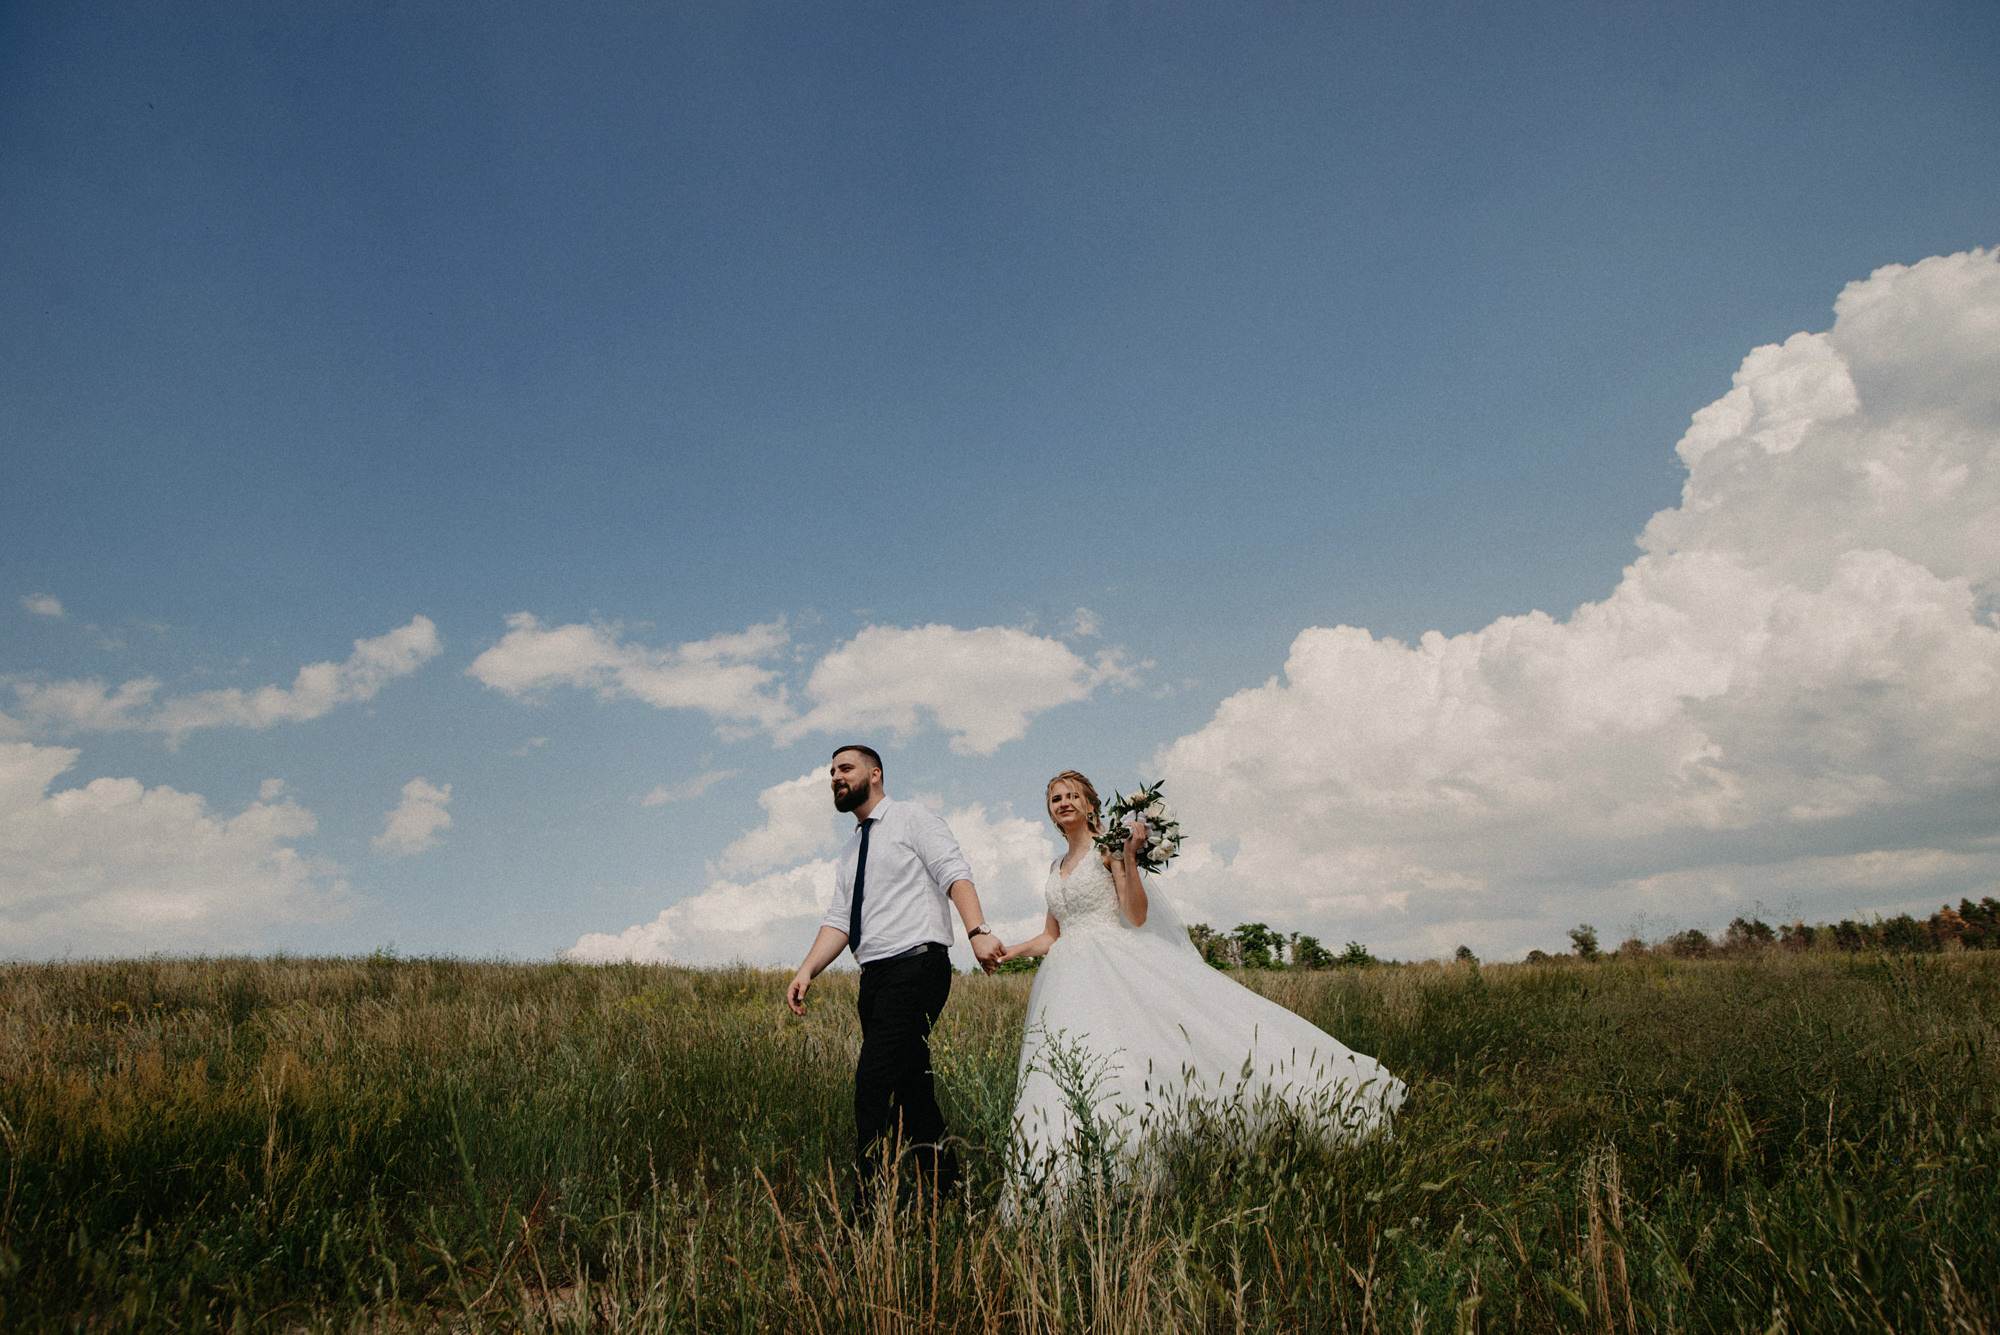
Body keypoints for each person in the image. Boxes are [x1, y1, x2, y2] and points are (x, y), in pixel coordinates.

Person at [996, 770, 1405, 1204]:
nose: (1064, 802)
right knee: (1072, 1071)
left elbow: (1135, 916)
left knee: (1144, 1056)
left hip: (1113, 965)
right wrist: (1008, 953)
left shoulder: (1108, 852)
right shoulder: (1054, 868)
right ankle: (1081, 1170)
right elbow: (1051, 936)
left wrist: (1130, 857)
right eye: (1056, 798)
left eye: (1072, 795)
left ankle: (1152, 1155)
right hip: (1065, 982)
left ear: (1090, 804)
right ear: (1051, 813)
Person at [787, 745, 1006, 1194]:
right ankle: (945, 1191)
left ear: (875, 774)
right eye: (831, 772)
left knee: (873, 1080)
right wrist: (807, 969)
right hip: (876, 977)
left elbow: (954, 873)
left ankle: (867, 1203)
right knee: (911, 1089)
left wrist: (977, 930)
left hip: (918, 965)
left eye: (845, 769)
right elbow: (839, 919)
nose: (835, 777)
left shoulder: (912, 819)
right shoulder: (850, 851)